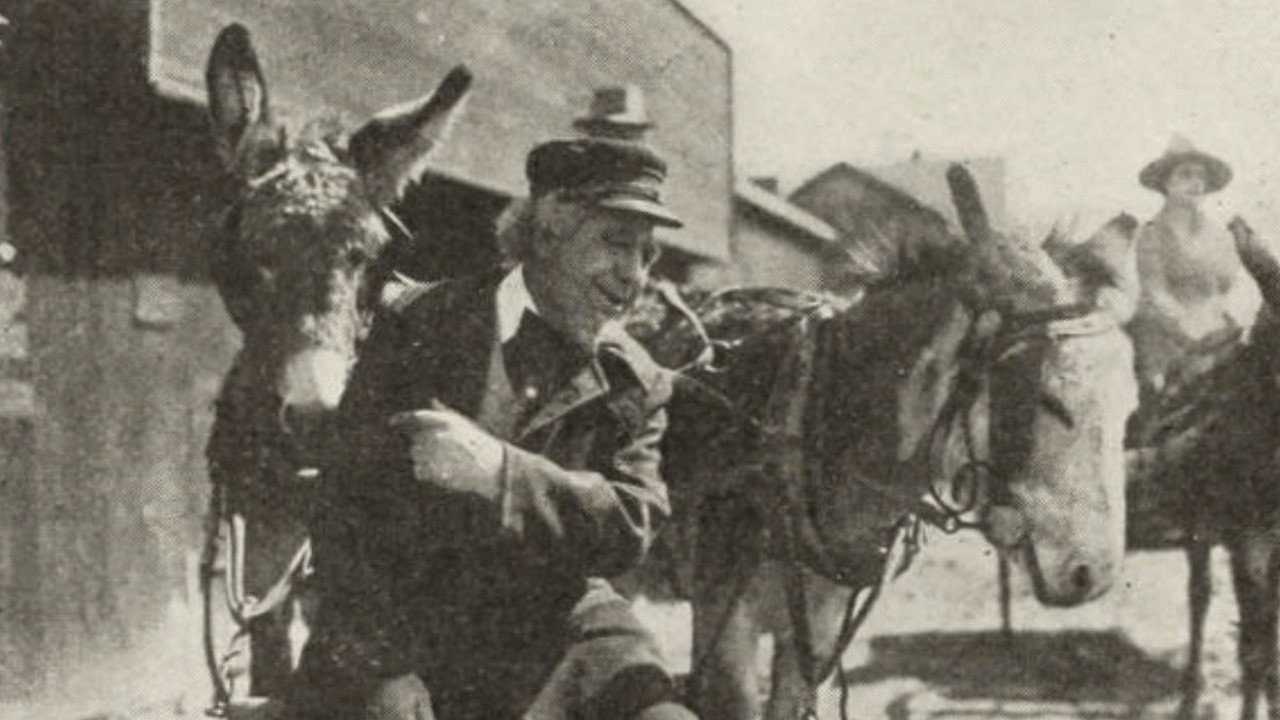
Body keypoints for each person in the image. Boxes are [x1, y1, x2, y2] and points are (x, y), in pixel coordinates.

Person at [291, 138, 697, 720]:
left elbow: (631, 524)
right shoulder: (418, 323)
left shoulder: (635, 378)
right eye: (616, 243)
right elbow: (341, 513)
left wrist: (502, 474)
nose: (633, 276)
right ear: (550, 226)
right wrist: (384, 666)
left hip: (560, 629)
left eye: (647, 255)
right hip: (407, 621)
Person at [1127, 135, 1256, 402]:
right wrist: (1192, 330)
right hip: (1166, 335)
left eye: (1201, 177)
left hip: (1219, 331)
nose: (1197, 184)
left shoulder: (1220, 234)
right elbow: (1155, 291)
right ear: (1166, 183)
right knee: (1163, 396)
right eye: (1185, 175)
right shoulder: (1153, 233)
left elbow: (1233, 289)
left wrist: (1231, 323)